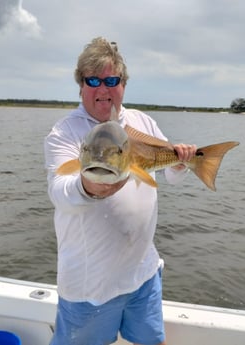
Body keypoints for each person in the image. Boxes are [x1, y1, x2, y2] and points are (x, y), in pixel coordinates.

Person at [44, 37, 197, 345]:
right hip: (91, 286)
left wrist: (180, 164)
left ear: (123, 84)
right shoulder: (64, 132)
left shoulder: (142, 121)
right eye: (93, 80)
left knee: (152, 342)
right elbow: (59, 192)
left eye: (112, 80)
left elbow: (169, 174)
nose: (103, 89)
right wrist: (88, 186)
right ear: (81, 85)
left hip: (143, 273)